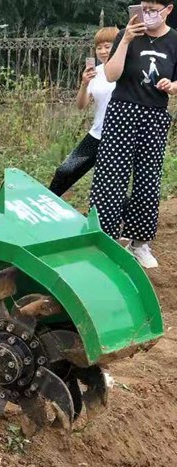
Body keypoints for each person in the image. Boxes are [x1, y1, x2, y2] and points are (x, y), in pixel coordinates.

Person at [90, 1, 177, 269]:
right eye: (145, 7)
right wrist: (126, 39)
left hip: (154, 115)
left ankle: (140, 244)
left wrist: (172, 86)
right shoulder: (126, 35)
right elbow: (112, 74)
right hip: (122, 113)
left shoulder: (174, 40)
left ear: (168, 10)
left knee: (147, 180)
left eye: (154, 8)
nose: (148, 14)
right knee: (110, 177)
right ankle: (103, 241)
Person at [49, 27, 118, 197]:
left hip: (119, 137)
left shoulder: (128, 70)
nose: (102, 51)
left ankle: (127, 218)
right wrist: (84, 84)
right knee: (65, 171)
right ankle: (44, 208)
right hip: (97, 134)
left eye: (107, 46)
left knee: (109, 183)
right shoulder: (96, 72)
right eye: (99, 47)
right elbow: (81, 105)